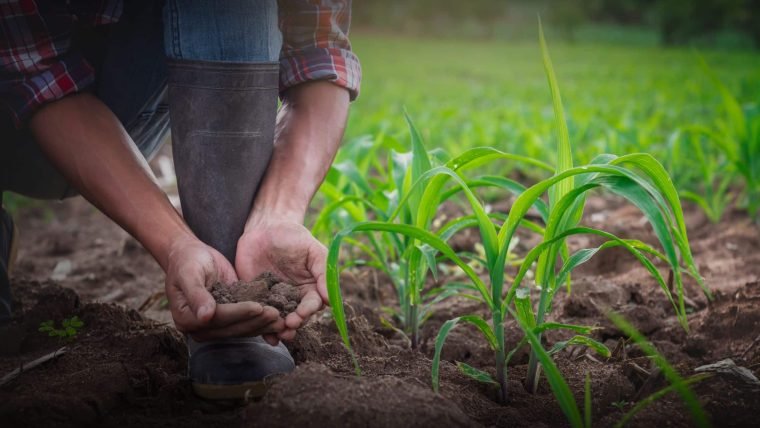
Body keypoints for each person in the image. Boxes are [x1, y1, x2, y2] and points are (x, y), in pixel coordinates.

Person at [0, 0, 360, 399]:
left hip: (124, 105)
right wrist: (173, 245)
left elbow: (321, 53)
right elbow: (32, 73)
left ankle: (226, 289)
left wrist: (276, 214)